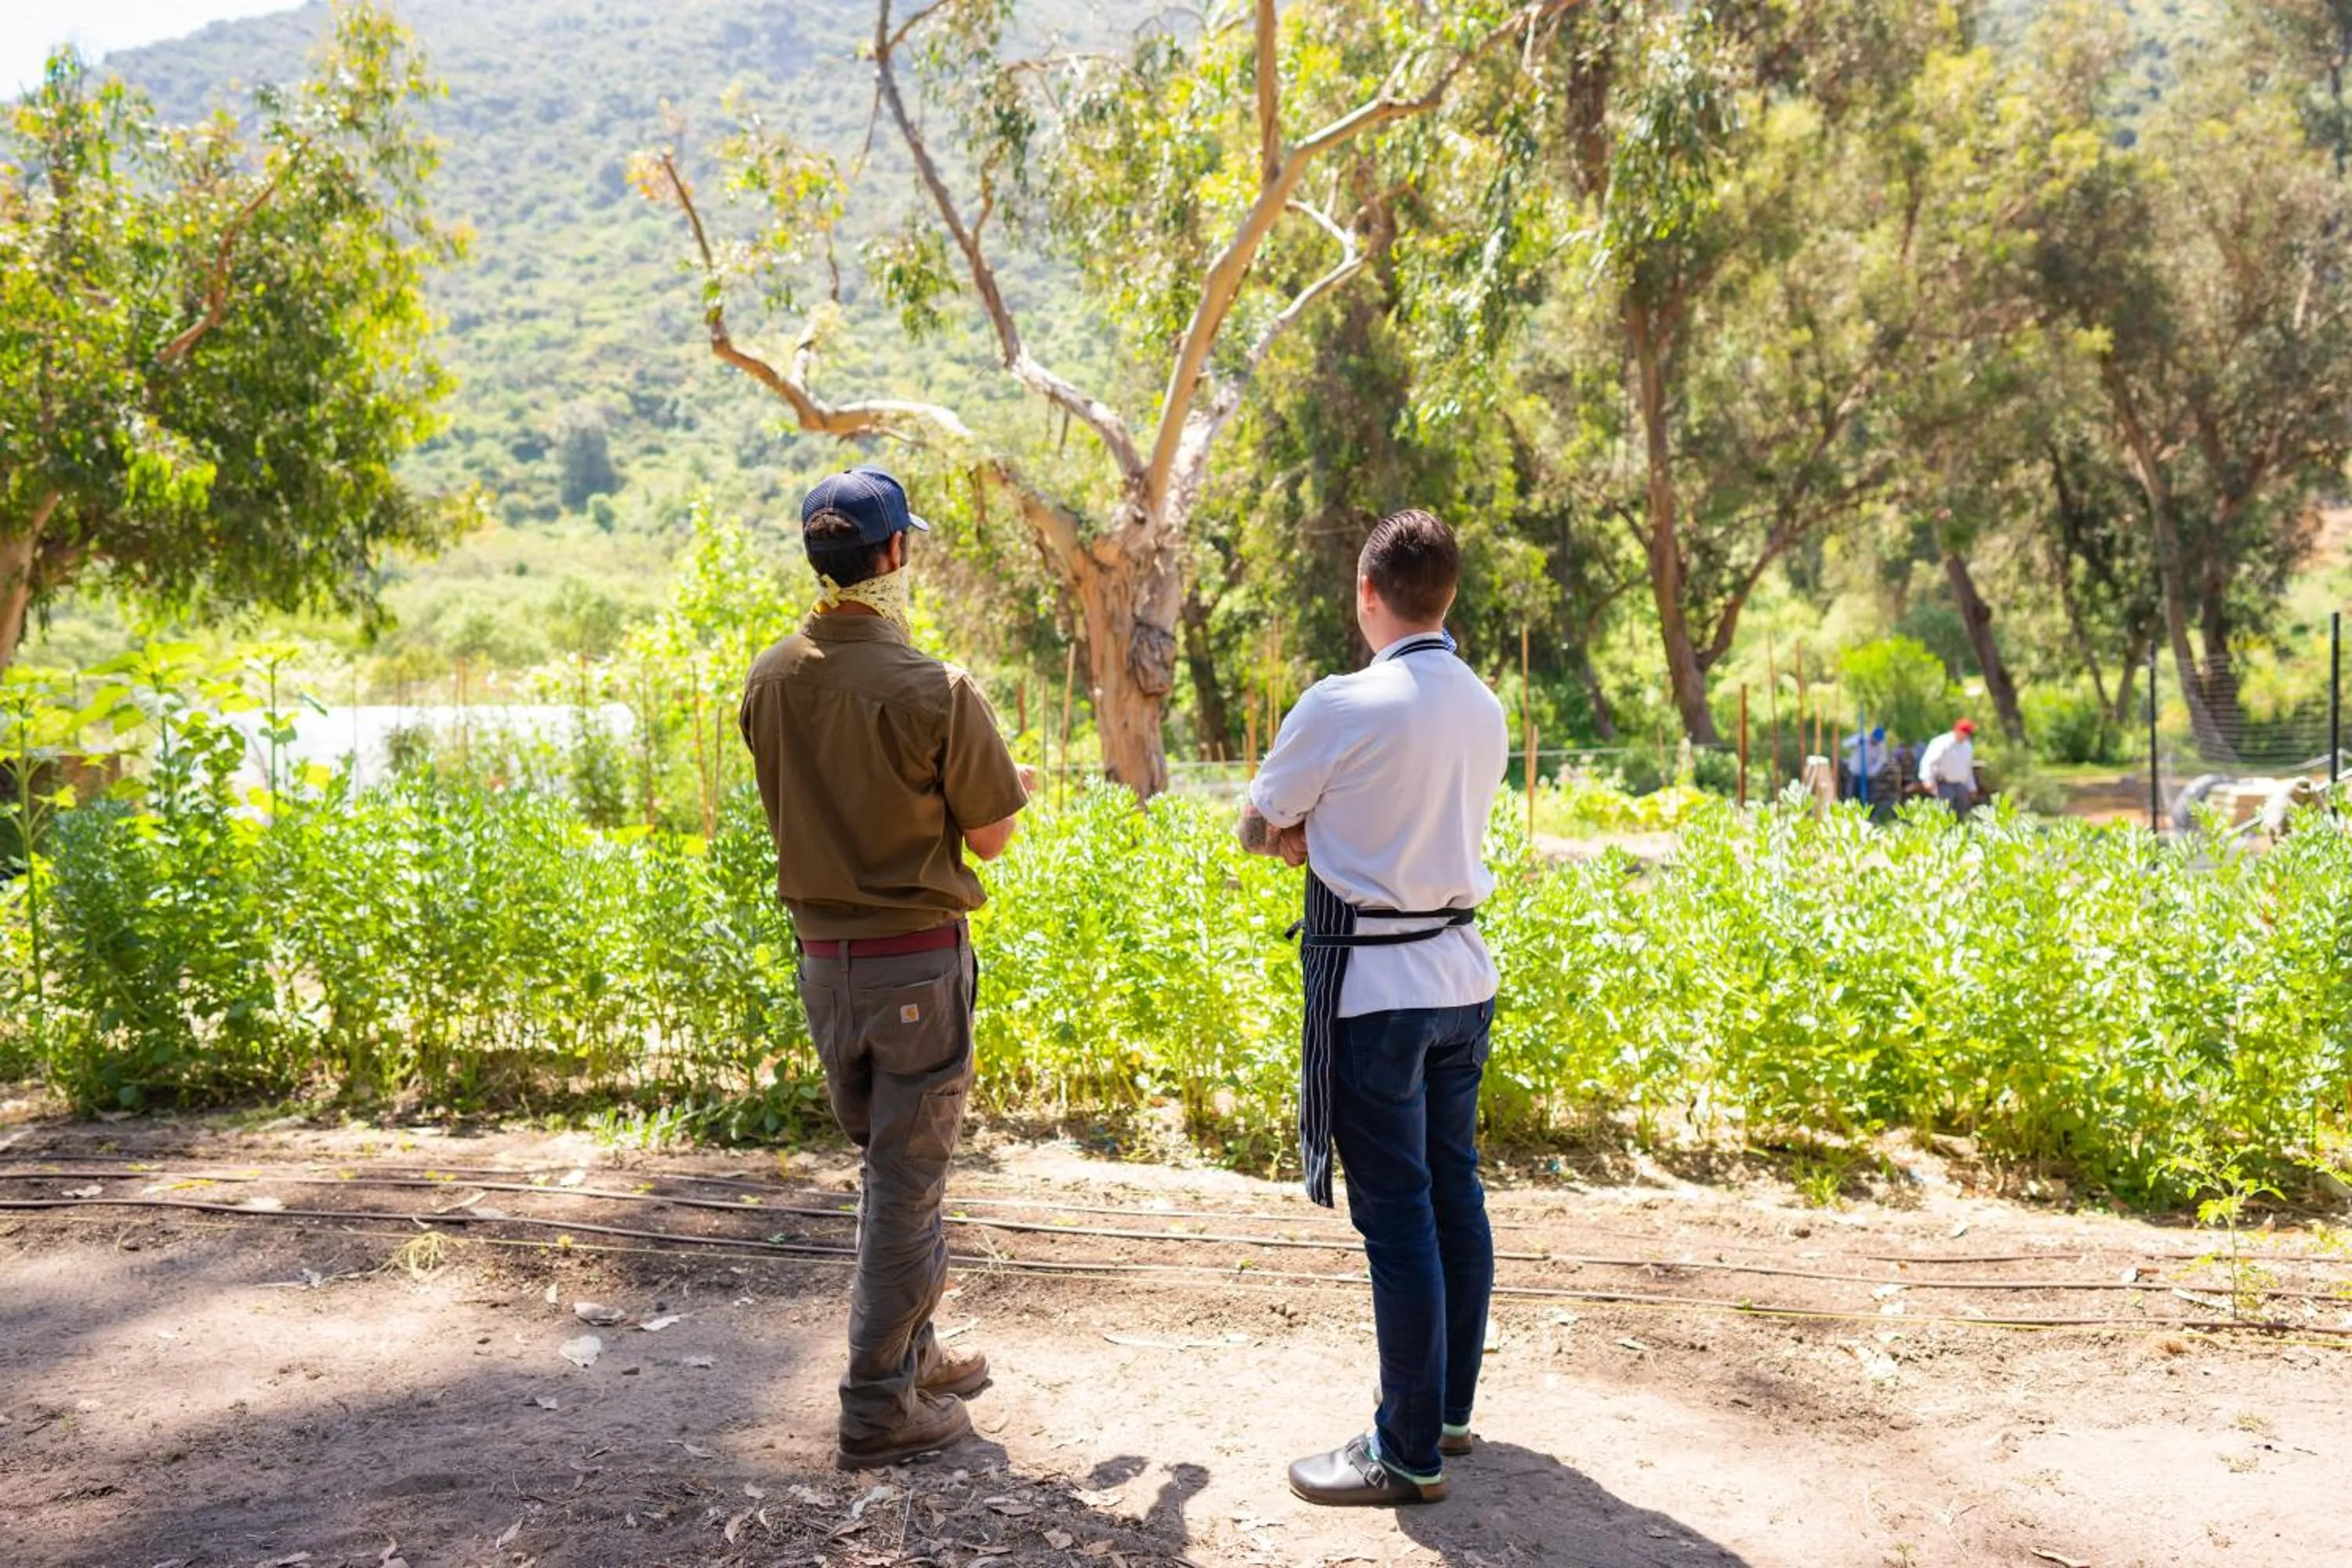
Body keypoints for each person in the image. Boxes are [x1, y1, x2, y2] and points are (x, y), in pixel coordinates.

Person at [739, 465, 1031, 1471]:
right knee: (909, 1183)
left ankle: (916, 1351)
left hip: (826, 967)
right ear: (894, 552)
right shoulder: (934, 687)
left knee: (893, 1169)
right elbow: (990, 835)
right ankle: (876, 1403)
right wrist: (1003, 782)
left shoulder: (769, 677)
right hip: (916, 964)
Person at [1239, 510, 1509, 1507]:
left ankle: (1404, 1450)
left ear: (1366, 592)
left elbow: (1259, 822)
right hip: (1461, 977)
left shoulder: (1341, 701)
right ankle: (1446, 1413)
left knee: (1397, 1218)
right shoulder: (1484, 705)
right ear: (1448, 594)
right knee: (1454, 1195)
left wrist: (1295, 833)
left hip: (1376, 991)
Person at [1918, 717, 1978, 816]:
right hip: (1944, 785)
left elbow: (1968, 769)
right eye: (1964, 733)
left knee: (1962, 815)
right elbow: (1928, 762)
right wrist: (1927, 780)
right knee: (1945, 814)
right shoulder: (1942, 743)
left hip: (1961, 786)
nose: (1965, 736)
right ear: (1957, 730)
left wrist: (1972, 788)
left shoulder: (1967, 747)